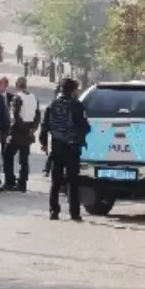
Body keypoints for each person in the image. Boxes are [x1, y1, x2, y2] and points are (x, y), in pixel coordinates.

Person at [40, 78, 89, 221]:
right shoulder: (76, 106)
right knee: (73, 181)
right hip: (72, 148)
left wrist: (44, 143)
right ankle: (74, 213)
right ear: (72, 90)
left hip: (56, 147)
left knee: (55, 181)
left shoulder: (53, 105)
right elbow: (85, 127)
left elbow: (45, 126)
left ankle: (54, 211)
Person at [3, 76, 40, 192]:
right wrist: (33, 128)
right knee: (24, 159)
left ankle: (10, 181)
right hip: (28, 132)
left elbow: (15, 116)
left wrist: (13, 131)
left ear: (17, 85)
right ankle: (22, 183)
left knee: (7, 155)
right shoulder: (34, 98)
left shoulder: (17, 97)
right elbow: (38, 115)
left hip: (18, 132)